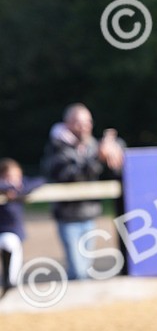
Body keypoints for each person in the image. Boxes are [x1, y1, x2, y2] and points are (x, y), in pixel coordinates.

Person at [40, 104, 125, 280]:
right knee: (78, 272)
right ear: (67, 123)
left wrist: (114, 150)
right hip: (68, 215)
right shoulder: (57, 146)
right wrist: (96, 158)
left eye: (88, 122)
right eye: (79, 122)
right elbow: (68, 175)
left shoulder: (91, 144)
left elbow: (109, 170)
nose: (85, 126)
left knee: (85, 268)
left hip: (89, 214)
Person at [0, 159, 45, 297]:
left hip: (14, 232)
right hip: (3, 231)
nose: (14, 180)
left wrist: (18, 190)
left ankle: (11, 283)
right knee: (9, 244)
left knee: (12, 247)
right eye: (10, 177)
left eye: (16, 177)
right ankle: (10, 282)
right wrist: (7, 188)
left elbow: (40, 180)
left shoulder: (20, 187)